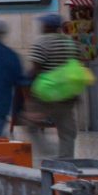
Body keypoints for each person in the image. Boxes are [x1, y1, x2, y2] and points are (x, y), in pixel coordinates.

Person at [24, 12, 81, 161]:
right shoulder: (71, 44)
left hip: (46, 93)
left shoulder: (41, 43)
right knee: (67, 130)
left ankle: (48, 153)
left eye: (42, 24)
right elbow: (78, 68)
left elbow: (35, 69)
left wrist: (28, 94)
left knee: (31, 124)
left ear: (47, 26)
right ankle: (66, 159)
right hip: (67, 93)